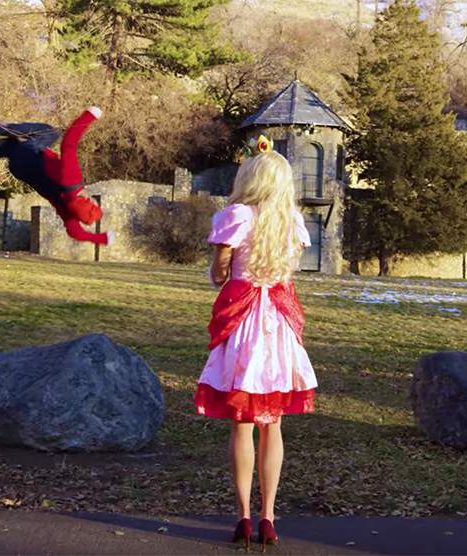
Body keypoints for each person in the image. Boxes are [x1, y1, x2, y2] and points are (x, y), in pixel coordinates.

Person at [193, 139, 317, 550]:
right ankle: (269, 517)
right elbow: (287, 273)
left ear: (248, 178)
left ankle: (244, 515)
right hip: (278, 323)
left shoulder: (235, 217)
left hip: (244, 322)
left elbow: (219, 277)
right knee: (273, 423)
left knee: (242, 423)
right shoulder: (291, 221)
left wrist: (220, 257)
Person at [0, 107, 113, 246]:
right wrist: (102, 239)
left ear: (89, 200)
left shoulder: (72, 180)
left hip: (30, 156)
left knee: (50, 132)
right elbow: (75, 232)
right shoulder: (66, 209)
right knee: (9, 145)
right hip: (19, 169)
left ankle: (7, 128)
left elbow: (68, 145)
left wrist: (89, 116)